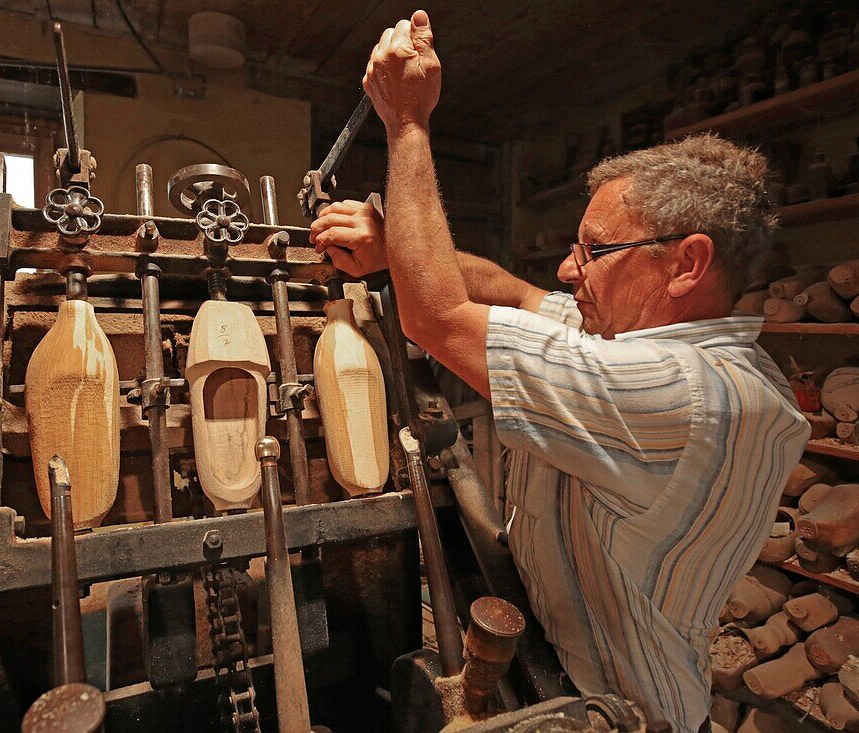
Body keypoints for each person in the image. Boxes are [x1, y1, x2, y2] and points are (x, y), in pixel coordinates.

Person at [309, 11, 811, 732]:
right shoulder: (628, 334)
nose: (567, 269)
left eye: (595, 251)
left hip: (615, 713)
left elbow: (439, 316)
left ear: (687, 263)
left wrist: (408, 126)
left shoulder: (691, 392)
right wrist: (396, 248)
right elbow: (508, 292)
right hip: (552, 660)